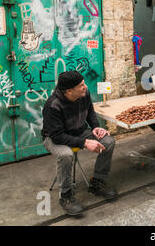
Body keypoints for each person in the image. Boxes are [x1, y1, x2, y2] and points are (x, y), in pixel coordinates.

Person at [42, 71, 117, 216]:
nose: (85, 86)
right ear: (69, 90)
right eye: (81, 85)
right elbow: (57, 136)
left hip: (79, 131)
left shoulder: (84, 93)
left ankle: (97, 183)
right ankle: (66, 196)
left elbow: (89, 111)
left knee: (108, 141)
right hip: (53, 138)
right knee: (66, 154)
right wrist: (84, 143)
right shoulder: (53, 105)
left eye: (83, 83)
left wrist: (95, 127)